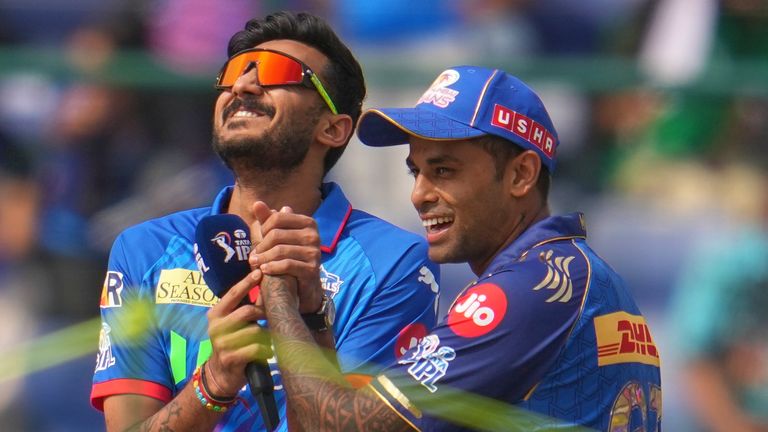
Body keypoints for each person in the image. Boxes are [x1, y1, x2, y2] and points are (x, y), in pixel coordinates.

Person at [250, 65, 662, 431]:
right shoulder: (581, 276)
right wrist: (315, 318)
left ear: (521, 174)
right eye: (416, 171)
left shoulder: (527, 291)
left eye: (444, 170)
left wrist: (278, 292)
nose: (419, 195)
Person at [90, 11, 439, 431]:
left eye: (277, 72)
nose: (242, 85)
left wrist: (309, 316)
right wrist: (214, 383)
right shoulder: (143, 249)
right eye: (233, 71)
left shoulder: (395, 262)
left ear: (333, 128)